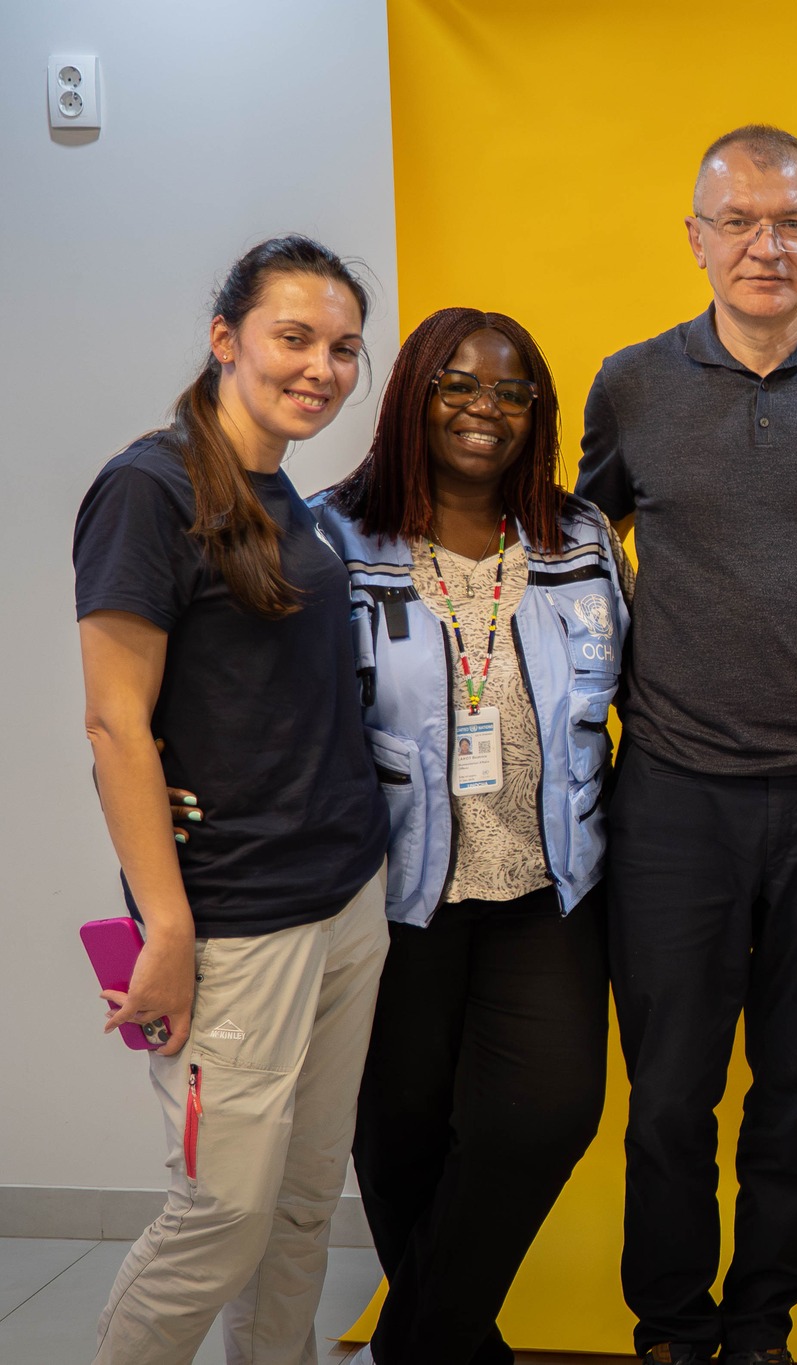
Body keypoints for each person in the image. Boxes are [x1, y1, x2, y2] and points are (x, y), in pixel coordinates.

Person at [575, 124, 797, 1365]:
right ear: (695, 238)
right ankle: (671, 1329)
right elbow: (570, 552)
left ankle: (762, 1325)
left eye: (789, 224)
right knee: (668, 1096)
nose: (763, 246)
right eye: (737, 222)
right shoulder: (631, 383)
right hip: (673, 796)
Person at [74, 236, 391, 1364]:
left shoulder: (279, 489)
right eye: (293, 338)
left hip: (343, 896)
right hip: (236, 920)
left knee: (302, 1206)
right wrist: (167, 927)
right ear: (225, 338)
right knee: (221, 1214)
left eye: (343, 348)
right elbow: (116, 725)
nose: (321, 368)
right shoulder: (147, 489)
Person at [306, 307, 632, 1365]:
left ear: (537, 412)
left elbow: (635, 690)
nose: (484, 408)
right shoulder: (330, 538)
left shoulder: (579, 536)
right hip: (392, 895)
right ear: (414, 394)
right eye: (457, 383)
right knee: (400, 1139)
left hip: (547, 883)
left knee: (549, 1114)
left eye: (510, 390)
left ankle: (416, 1343)